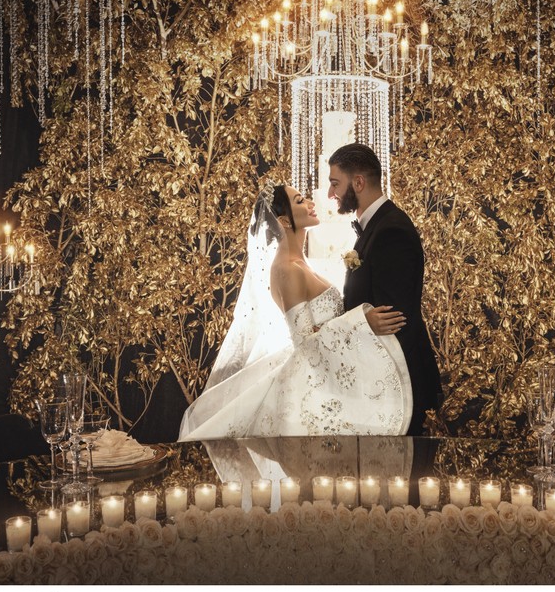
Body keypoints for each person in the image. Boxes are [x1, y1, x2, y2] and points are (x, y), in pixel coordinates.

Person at [178, 181, 413, 441]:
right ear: (284, 221)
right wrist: (361, 322)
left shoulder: (300, 263)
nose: (312, 204)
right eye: (301, 201)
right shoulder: (287, 269)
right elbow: (304, 341)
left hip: (327, 374)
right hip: (309, 385)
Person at [328, 143, 442, 435]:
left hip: (398, 389)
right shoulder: (375, 226)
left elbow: (394, 322)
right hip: (383, 385)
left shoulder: (391, 230)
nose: (331, 194)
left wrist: (372, 394)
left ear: (359, 182)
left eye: (335, 183)